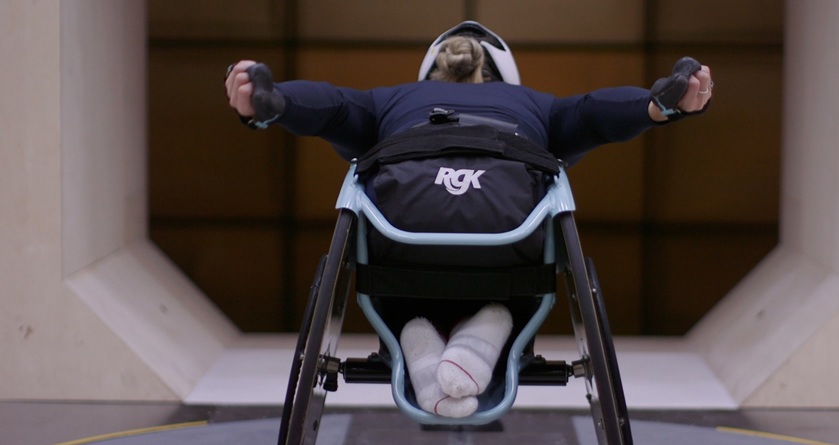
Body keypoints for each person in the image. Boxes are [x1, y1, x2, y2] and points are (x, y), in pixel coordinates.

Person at [225, 21, 713, 418]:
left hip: (403, 235)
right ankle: (483, 340)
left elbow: (328, 106)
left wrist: (274, 104)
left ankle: (416, 346)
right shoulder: (535, 105)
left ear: (427, 74)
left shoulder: (388, 100)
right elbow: (596, 113)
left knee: (390, 249)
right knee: (526, 248)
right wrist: (657, 106)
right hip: (507, 234)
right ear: (503, 74)